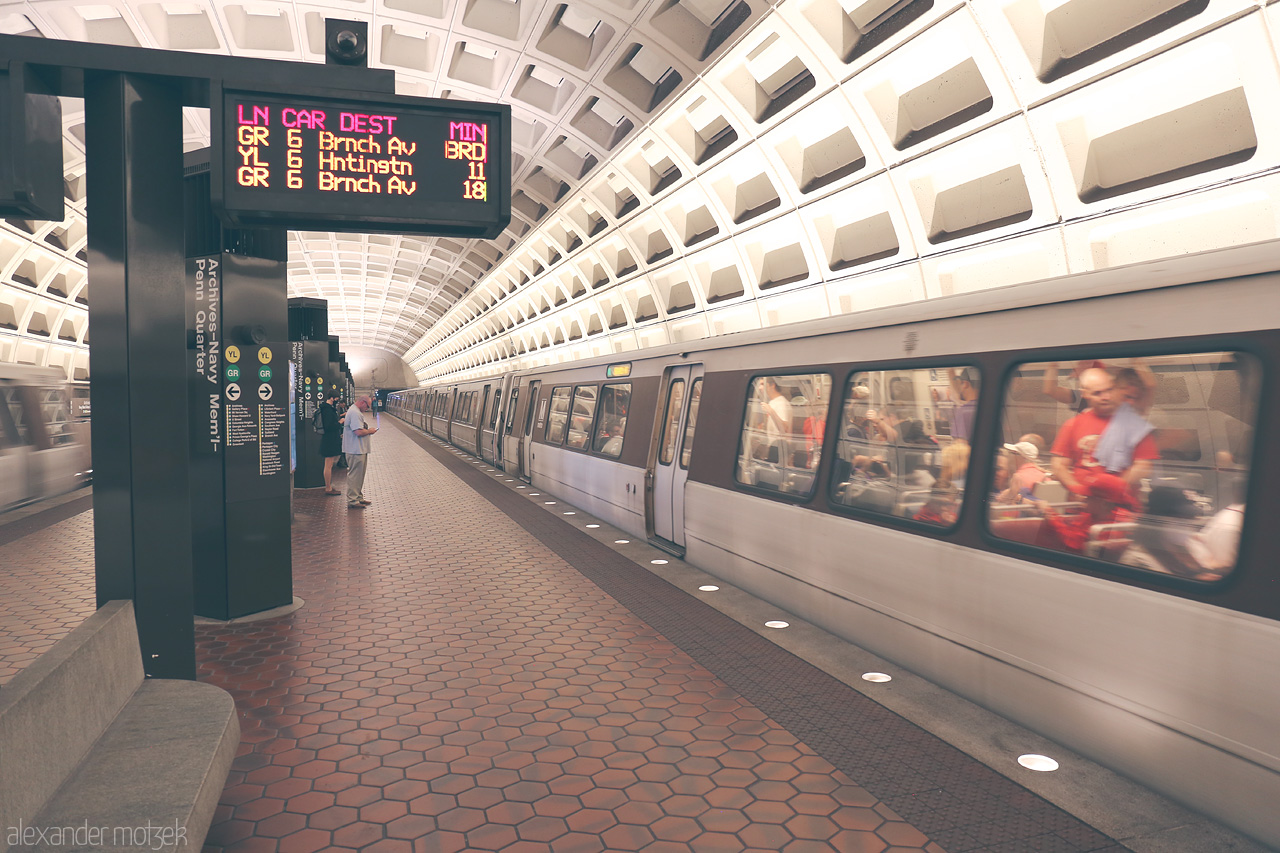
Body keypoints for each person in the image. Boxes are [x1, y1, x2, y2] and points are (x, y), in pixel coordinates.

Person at [1050, 368, 1158, 505]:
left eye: (1109, 390)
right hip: (1082, 506)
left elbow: (1144, 466)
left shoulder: (1134, 425)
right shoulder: (1073, 425)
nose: (1105, 397)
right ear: (1085, 394)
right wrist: (1077, 489)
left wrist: (1113, 489)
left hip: (1120, 506)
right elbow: (1059, 466)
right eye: (1097, 393)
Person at [343, 396, 378, 509]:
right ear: (362, 402)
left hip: (358, 449)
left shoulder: (354, 411)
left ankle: (358, 497)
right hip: (355, 450)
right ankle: (353, 500)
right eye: (367, 406)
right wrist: (370, 431)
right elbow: (358, 432)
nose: (367, 409)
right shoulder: (355, 413)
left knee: (359, 475)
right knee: (355, 475)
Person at [999, 439, 1046, 503]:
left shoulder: (1018, 478)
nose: (1010, 456)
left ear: (1021, 457)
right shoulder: (1044, 475)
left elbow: (1010, 503)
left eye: (1012, 453)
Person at [318, 391, 344, 495]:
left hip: (329, 439)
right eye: (336, 399)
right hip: (329, 440)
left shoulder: (327, 409)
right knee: (328, 465)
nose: (337, 401)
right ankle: (328, 487)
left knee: (329, 464)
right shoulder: (327, 410)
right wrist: (339, 422)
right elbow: (329, 426)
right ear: (332, 398)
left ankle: (329, 485)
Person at [947, 367, 979, 442]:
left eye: (960, 384)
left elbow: (960, 447)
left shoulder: (963, 412)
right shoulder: (990, 408)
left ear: (965, 384)